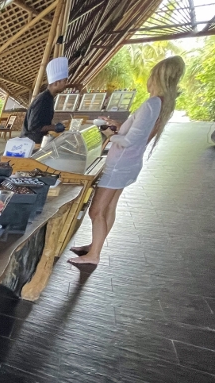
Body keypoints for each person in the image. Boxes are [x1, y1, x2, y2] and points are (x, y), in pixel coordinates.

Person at [69, 56, 186, 268]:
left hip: (119, 165)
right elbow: (139, 133)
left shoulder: (151, 103)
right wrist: (118, 125)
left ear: (158, 77)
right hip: (129, 164)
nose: (149, 79)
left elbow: (131, 141)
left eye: (152, 74)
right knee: (110, 207)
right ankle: (95, 246)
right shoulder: (162, 104)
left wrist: (107, 133)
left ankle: (93, 255)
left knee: (96, 211)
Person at [21, 57, 69, 145]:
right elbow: (34, 127)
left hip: (37, 141)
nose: (66, 84)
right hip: (30, 144)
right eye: (64, 81)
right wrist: (54, 127)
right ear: (56, 83)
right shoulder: (43, 99)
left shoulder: (49, 98)